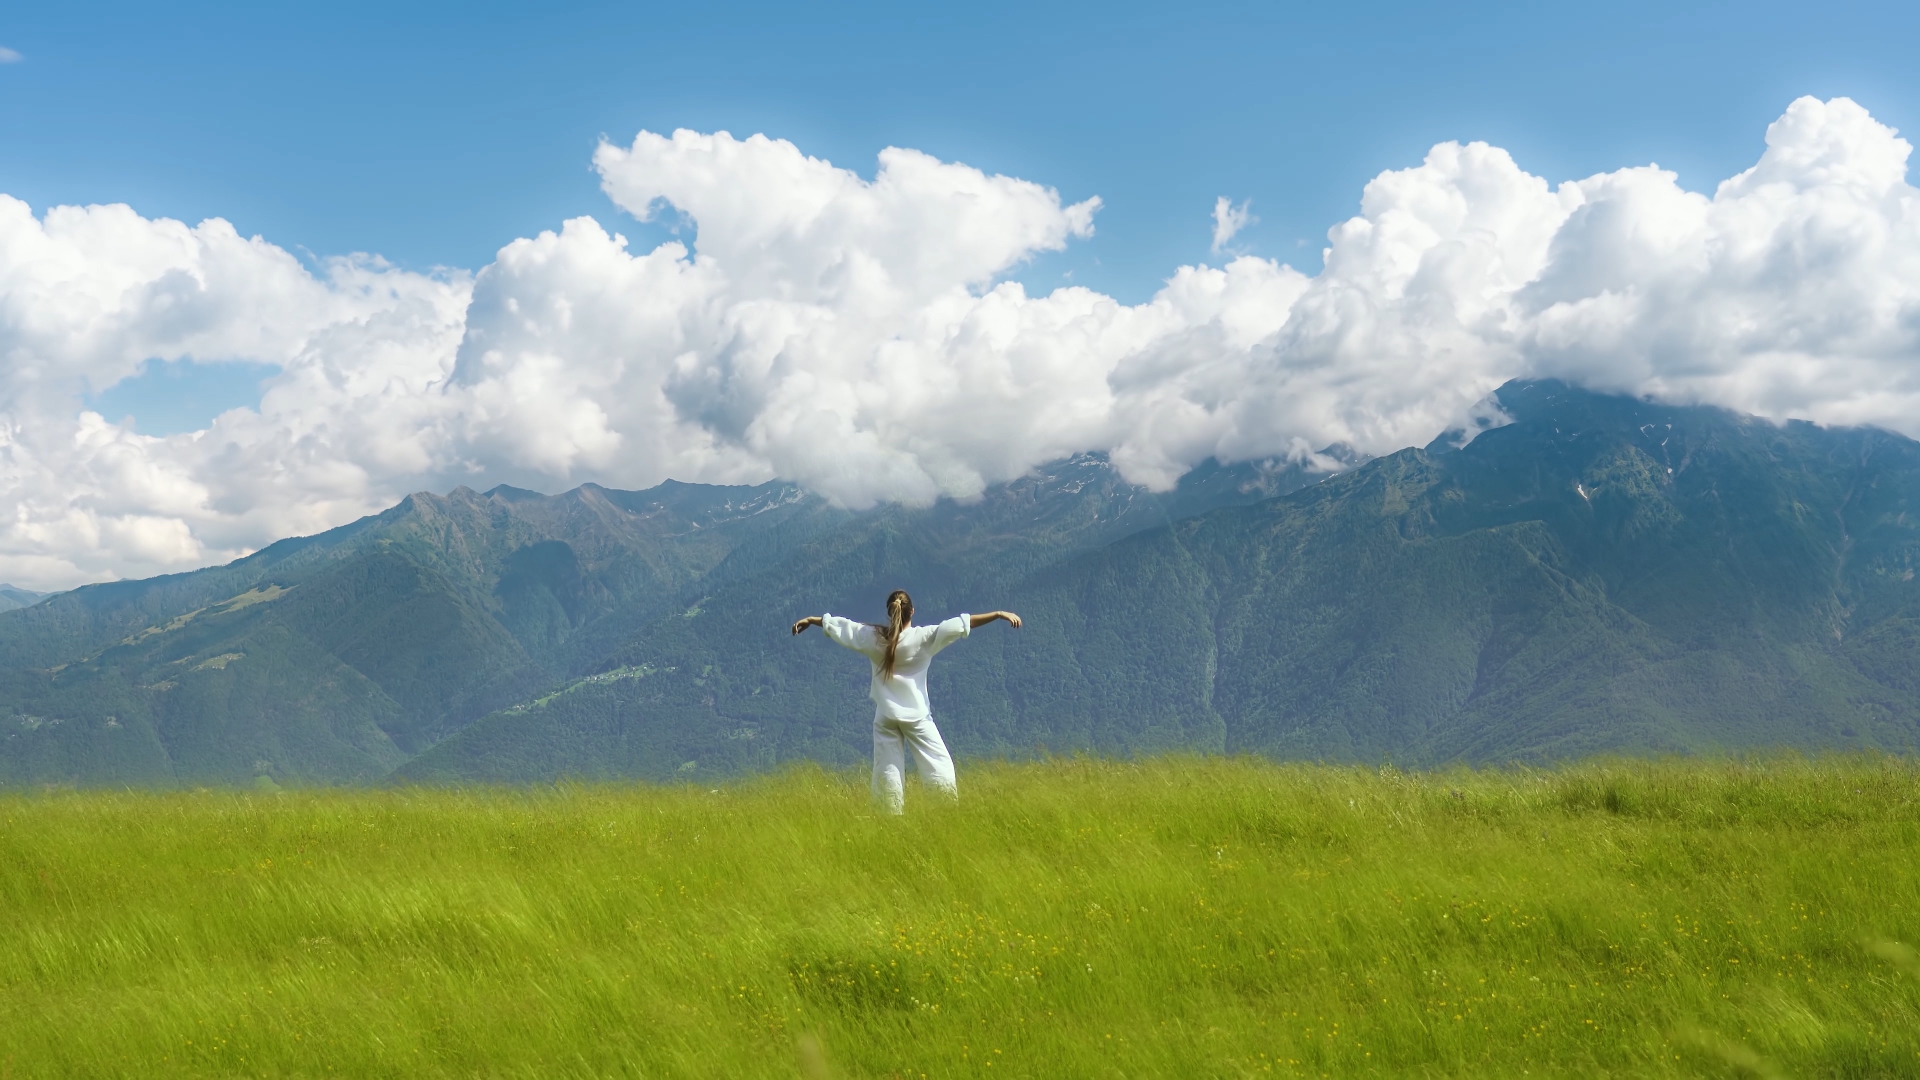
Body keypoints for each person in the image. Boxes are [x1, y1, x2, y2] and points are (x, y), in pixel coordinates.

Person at [792, 590, 1020, 814]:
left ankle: (888, 821)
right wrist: (998, 614)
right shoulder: (925, 638)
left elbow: (846, 628)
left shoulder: (874, 638)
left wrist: (814, 620)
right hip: (917, 717)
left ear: (890, 613)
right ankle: (946, 814)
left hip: (885, 717)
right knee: (939, 768)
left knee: (886, 774)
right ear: (912, 611)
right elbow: (960, 624)